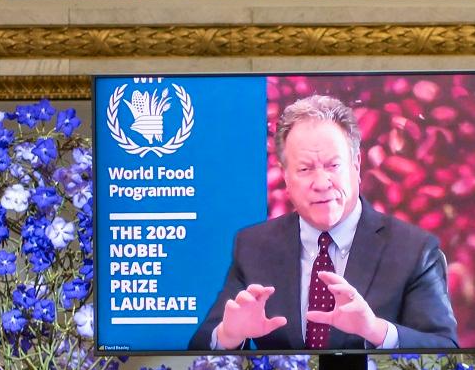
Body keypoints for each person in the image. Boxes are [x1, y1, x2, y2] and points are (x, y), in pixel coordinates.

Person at [190, 94, 459, 351]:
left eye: (333, 166)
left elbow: (446, 349)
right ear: (285, 176)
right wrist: (229, 335)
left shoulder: (414, 250)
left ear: (356, 165)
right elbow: (200, 347)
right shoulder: (253, 246)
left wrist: (376, 331)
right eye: (305, 169)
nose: (321, 183)